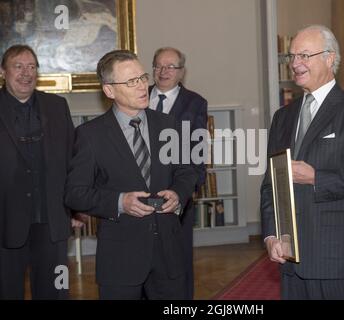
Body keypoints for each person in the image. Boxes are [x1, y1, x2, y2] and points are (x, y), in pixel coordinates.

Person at [260, 25, 344, 300]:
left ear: (330, 58)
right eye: (291, 57)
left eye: (304, 55)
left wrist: (317, 177)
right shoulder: (282, 117)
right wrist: (271, 236)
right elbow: (270, 185)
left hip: (336, 260)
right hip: (290, 261)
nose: (295, 64)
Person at [64, 50, 198, 300]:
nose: (142, 86)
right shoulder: (90, 135)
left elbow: (186, 171)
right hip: (120, 260)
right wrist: (120, 202)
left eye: (142, 77)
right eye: (130, 81)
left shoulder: (168, 125)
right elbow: (75, 194)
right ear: (109, 91)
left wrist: (178, 193)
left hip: (169, 256)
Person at [0, 45, 76, 299]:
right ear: (3, 72)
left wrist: (76, 208)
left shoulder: (57, 106)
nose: (26, 73)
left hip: (51, 221)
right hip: (5, 222)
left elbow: (71, 159)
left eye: (32, 67)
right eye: (18, 66)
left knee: (55, 290)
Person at [149, 47, 207, 299]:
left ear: (181, 72)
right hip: (141, 191)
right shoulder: (138, 97)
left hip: (177, 193)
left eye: (171, 66)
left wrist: (188, 190)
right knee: (145, 258)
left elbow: (198, 149)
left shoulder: (195, 103)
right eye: (159, 66)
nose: (164, 71)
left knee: (178, 259)